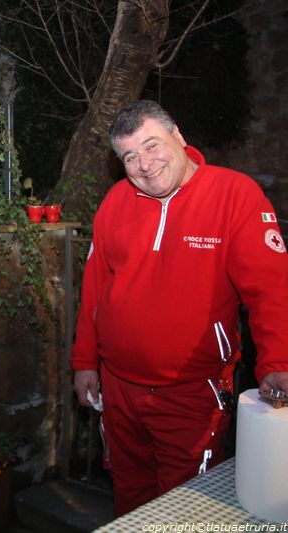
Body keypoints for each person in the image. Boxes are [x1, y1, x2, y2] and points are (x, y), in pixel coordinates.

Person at [71, 100, 288, 516]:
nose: (145, 164)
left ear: (180, 138)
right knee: (130, 501)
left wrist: (277, 362)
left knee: (186, 510)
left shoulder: (234, 195)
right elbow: (94, 288)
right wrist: (84, 362)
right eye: (130, 156)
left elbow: (270, 289)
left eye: (152, 145)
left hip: (192, 395)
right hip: (118, 391)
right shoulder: (115, 201)